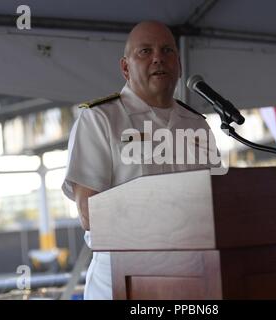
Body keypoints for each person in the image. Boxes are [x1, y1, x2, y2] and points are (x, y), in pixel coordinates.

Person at [62, 21, 218, 300]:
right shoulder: (100, 119)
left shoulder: (197, 125)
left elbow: (218, 202)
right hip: (124, 279)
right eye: (145, 51)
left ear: (179, 65)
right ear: (125, 68)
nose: (158, 57)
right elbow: (89, 213)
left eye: (167, 50)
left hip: (191, 278)